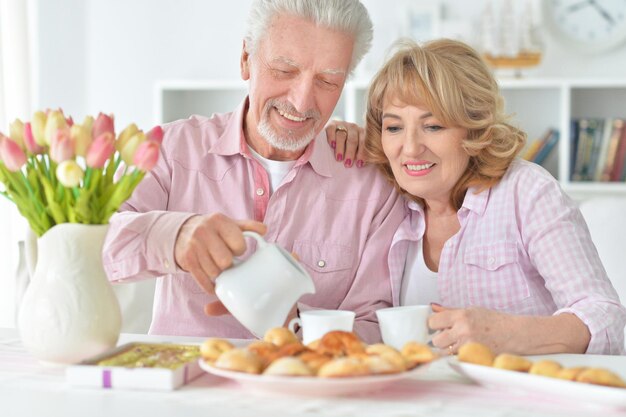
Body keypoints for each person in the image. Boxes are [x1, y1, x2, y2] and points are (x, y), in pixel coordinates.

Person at [102, 0, 405, 342]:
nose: (302, 102)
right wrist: (175, 235)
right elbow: (98, 243)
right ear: (246, 58)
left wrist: (295, 325)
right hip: (188, 388)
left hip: (306, 387)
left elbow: (375, 325)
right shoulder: (171, 149)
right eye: (285, 70)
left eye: (327, 81)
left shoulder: (372, 183)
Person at [328, 39, 626, 355]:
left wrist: (510, 334)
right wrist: (336, 135)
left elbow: (606, 319)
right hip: (424, 400)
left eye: (433, 126)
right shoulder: (389, 204)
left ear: (474, 128)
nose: (411, 147)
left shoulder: (526, 192)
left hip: (524, 399)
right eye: (394, 127)